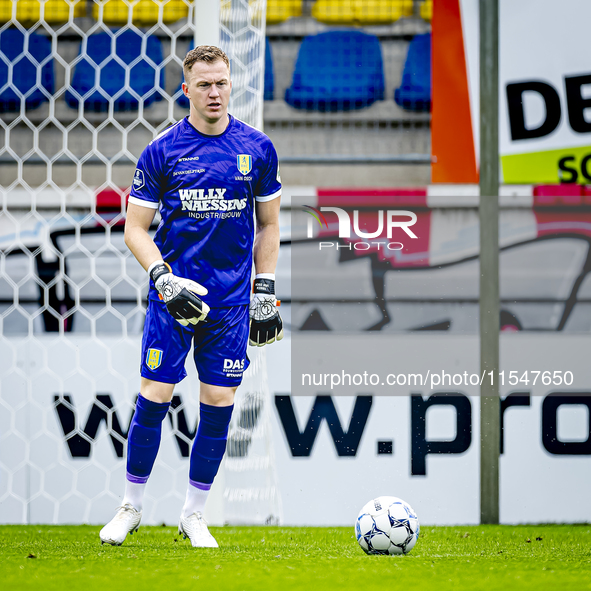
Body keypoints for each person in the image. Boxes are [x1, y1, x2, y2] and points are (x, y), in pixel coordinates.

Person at [99, 45, 283, 548]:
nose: (215, 92)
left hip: (230, 303)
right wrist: (163, 277)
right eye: (204, 84)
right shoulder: (162, 151)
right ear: (187, 90)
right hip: (173, 296)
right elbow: (135, 229)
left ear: (231, 84)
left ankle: (194, 513)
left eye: (221, 82)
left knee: (219, 399)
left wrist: (264, 289)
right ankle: (131, 506)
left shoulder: (258, 149)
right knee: (154, 395)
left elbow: (270, 225)